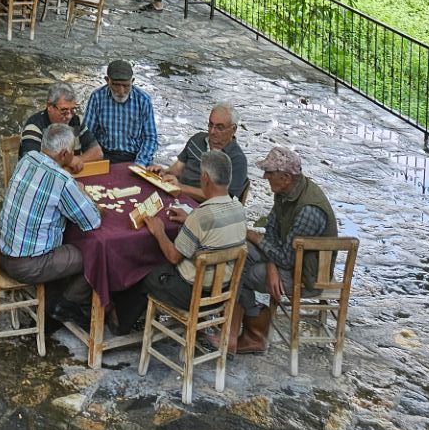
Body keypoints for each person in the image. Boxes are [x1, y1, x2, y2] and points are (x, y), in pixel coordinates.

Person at [115, 149, 249, 326]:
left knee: (142, 269)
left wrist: (159, 231)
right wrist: (189, 218)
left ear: (206, 178)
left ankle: (120, 322)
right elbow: (214, 230)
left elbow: (173, 256)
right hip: (225, 291)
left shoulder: (201, 216)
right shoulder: (238, 208)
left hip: (192, 293)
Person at [234, 145, 338, 354]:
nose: (265, 176)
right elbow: (272, 231)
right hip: (287, 260)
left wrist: (254, 236)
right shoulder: (285, 192)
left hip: (306, 276)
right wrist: (271, 264)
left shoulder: (309, 209)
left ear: (286, 177)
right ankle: (241, 323)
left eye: (270, 173)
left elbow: (287, 258)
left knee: (240, 272)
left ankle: (255, 330)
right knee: (238, 250)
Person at [0, 123, 103, 311]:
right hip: (26, 265)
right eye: (72, 152)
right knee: (95, 256)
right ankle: (65, 305)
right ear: (64, 154)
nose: (73, 155)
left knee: (68, 239)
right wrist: (83, 193)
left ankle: (57, 295)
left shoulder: (27, 159)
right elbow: (93, 221)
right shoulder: (62, 180)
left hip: (1, 252)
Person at [82, 58, 158, 165]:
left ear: (132, 81)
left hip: (135, 156)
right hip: (105, 155)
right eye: (116, 85)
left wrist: (140, 163)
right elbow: (87, 133)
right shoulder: (97, 97)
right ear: (107, 80)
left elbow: (151, 138)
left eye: (126, 86)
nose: (121, 91)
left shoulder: (143, 100)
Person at [169, 103, 249, 201]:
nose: (212, 131)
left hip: (202, 208)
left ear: (233, 129)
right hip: (177, 195)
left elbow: (224, 199)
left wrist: (182, 188)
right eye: (210, 125)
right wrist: (163, 172)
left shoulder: (237, 160)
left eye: (219, 128)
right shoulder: (197, 139)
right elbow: (178, 168)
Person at [18, 85, 104, 163]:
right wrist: (68, 164)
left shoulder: (76, 121)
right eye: (64, 111)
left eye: (72, 110)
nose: (69, 116)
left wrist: (78, 160)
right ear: (49, 106)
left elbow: (97, 152)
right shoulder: (34, 127)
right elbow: (30, 164)